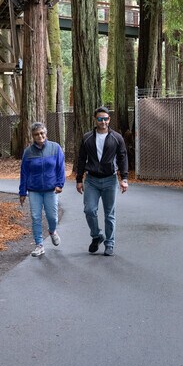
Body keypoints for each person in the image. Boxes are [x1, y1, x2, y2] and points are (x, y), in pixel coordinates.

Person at [76, 106, 129, 256]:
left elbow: (123, 158)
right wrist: (79, 179)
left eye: (106, 119)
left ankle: (109, 244)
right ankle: (97, 235)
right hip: (91, 180)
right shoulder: (87, 137)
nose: (103, 121)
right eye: (100, 119)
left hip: (110, 180)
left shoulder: (117, 138)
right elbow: (81, 159)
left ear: (109, 120)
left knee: (109, 214)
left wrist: (124, 178)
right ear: (95, 120)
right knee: (89, 210)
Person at [19, 122, 66, 257]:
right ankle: (39, 244)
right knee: (35, 217)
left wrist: (59, 184)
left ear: (45, 133)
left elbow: (60, 168)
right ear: (33, 136)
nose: (40, 136)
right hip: (34, 190)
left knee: (52, 217)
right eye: (36, 134)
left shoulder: (55, 148)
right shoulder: (28, 152)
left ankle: (52, 231)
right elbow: (24, 173)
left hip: (51, 190)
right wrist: (22, 192)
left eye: (41, 133)